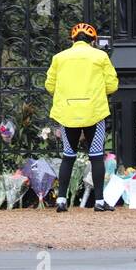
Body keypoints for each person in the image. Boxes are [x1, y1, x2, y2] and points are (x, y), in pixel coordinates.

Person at [45, 22, 118, 212]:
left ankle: (61, 200)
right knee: (95, 155)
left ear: (73, 39)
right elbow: (112, 86)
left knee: (68, 156)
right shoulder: (100, 56)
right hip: (94, 112)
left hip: (67, 114)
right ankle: (100, 202)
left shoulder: (59, 58)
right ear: (93, 41)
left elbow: (49, 86)